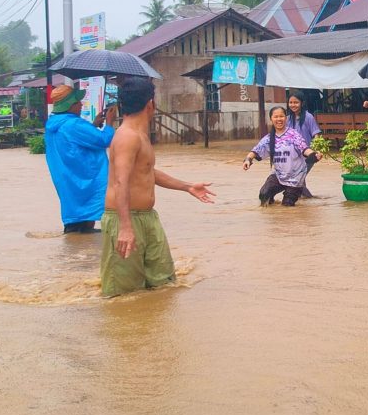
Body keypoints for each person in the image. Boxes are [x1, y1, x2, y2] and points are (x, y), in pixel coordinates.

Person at [101, 78, 215, 297]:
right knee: (124, 295)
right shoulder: (127, 137)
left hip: (147, 218)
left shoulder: (140, 135)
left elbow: (146, 173)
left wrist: (188, 186)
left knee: (164, 285)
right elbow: (120, 182)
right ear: (150, 104)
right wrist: (125, 227)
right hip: (124, 218)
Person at [44, 85, 116, 234]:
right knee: (87, 219)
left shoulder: (53, 124)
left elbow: (74, 142)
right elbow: (104, 140)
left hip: (68, 180)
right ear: (71, 106)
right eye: (78, 102)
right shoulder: (74, 124)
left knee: (76, 224)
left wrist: (92, 126)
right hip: (85, 180)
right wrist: (109, 123)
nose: (81, 105)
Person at [243, 105, 319, 206]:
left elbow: (305, 149)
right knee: (264, 194)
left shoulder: (294, 134)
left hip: (295, 178)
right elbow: (256, 151)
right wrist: (248, 160)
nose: (279, 119)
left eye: (281, 116)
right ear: (271, 119)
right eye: (276, 117)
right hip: (278, 175)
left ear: (286, 118)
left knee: (287, 206)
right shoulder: (269, 138)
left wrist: (314, 155)